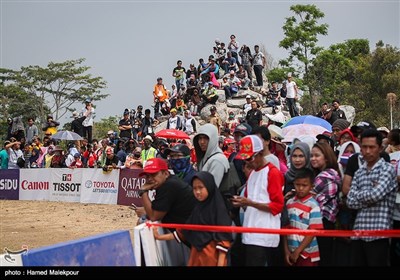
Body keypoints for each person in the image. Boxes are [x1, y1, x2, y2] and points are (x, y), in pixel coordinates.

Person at [153, 171, 232, 266]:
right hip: (196, 256)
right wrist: (159, 237)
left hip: (211, 258)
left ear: (209, 187)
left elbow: (224, 243)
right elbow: (183, 231)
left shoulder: (218, 211)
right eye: (194, 188)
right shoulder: (198, 209)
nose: (197, 192)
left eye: (201, 187)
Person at [346, 129, 397, 266]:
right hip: (358, 233)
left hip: (379, 234)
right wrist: (370, 196)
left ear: (380, 148)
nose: (367, 151)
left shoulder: (387, 169)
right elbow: (350, 201)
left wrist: (361, 195)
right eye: (364, 147)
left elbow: (376, 195)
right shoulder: (359, 172)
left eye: (372, 147)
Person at [231, 135, 284, 266]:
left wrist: (249, 203)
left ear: (260, 153)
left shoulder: (273, 173)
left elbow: (277, 206)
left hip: (264, 235)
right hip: (250, 233)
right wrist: (241, 202)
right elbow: (249, 201)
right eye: (245, 159)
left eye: (249, 158)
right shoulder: (253, 173)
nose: (247, 162)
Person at [284, 168, 323, 266]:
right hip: (290, 252)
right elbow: (284, 229)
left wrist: (298, 251)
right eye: (298, 184)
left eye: (304, 185)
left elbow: (313, 231)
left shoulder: (313, 205)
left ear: (311, 186)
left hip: (308, 254)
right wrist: (286, 251)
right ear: (294, 184)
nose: (300, 188)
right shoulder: (289, 203)